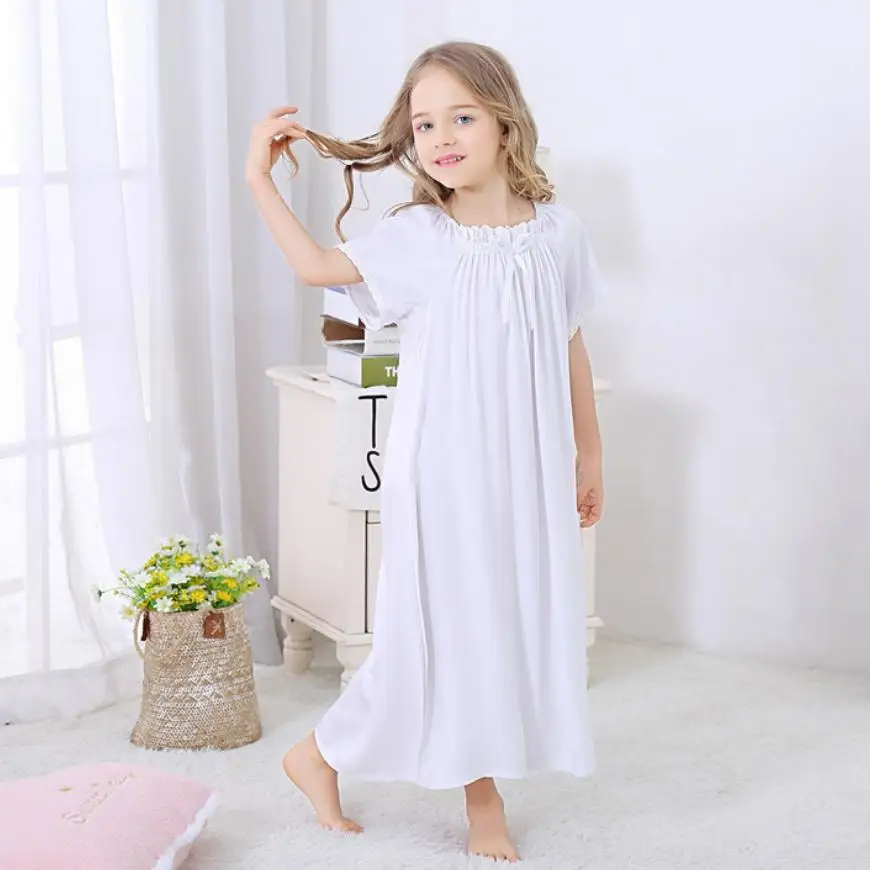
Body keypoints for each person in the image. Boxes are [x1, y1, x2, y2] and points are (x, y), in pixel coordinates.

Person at [246, 40, 606, 864]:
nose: (440, 137)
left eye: (461, 117)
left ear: (505, 123)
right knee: (453, 630)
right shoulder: (417, 235)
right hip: (442, 468)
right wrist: (259, 179)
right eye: (424, 124)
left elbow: (571, 342)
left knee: (511, 623)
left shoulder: (559, 234)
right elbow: (315, 267)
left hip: (528, 468)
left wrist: (590, 454)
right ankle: (483, 800)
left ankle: (320, 754)